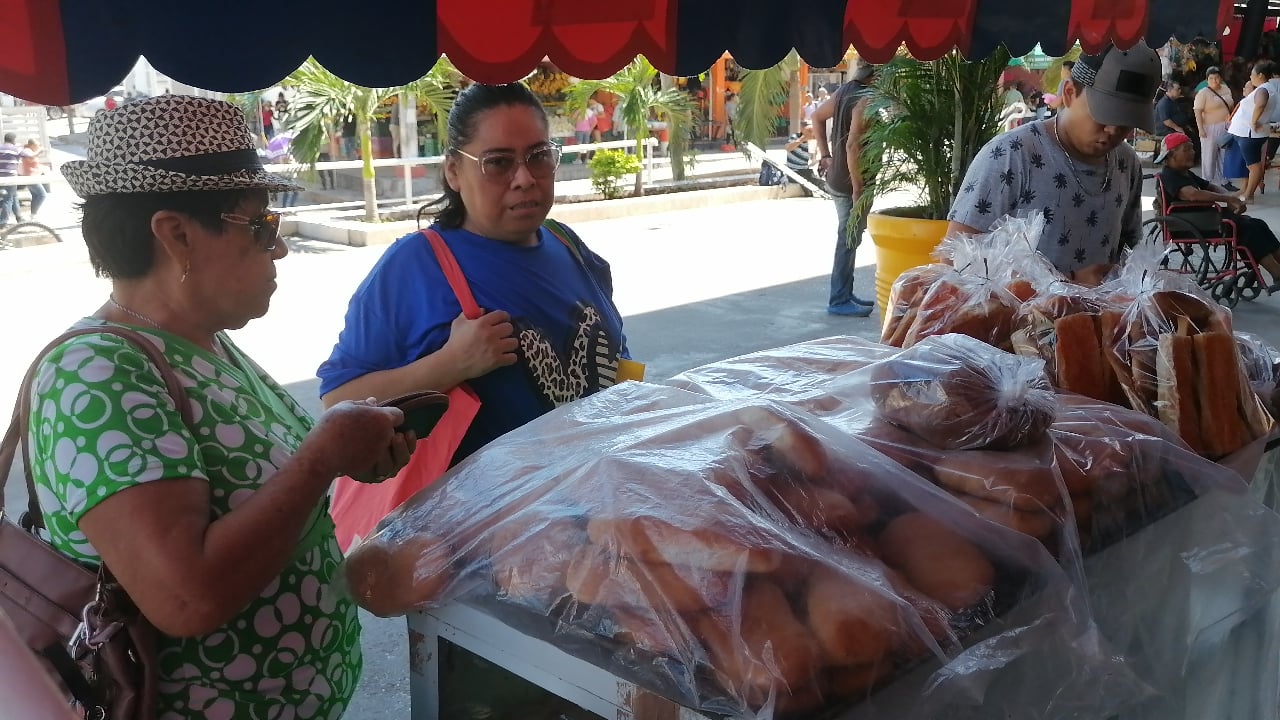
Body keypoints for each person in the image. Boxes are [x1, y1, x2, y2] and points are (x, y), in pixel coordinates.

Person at [35, 95, 417, 717]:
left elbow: (258, 494)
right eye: (260, 226)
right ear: (177, 234)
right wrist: (321, 458)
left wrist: (347, 456)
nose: (280, 248)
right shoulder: (98, 373)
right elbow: (184, 599)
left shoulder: (202, 344)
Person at [318, 83, 629, 467]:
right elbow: (337, 404)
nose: (524, 179)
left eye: (538, 156)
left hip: (605, 503)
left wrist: (640, 413)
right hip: (492, 522)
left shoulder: (569, 245)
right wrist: (451, 364)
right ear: (453, 170)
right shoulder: (415, 265)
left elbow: (619, 361)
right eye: (498, 162)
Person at [948, 44, 1160, 286]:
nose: (1113, 131)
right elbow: (954, 259)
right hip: (1018, 320)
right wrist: (1068, 281)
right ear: (1069, 93)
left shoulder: (1127, 163)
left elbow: (1128, 253)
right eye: (1104, 115)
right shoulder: (1011, 155)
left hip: (1099, 322)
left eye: (1126, 122)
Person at [1157, 132, 1280, 293]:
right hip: (1191, 224)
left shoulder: (1185, 172)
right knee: (1247, 230)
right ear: (1170, 155)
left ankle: (1269, 267)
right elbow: (1193, 194)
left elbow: (1209, 186)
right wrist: (1226, 200)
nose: (1193, 152)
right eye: (1186, 149)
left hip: (1206, 218)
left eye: (1192, 148)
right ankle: (1277, 273)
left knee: (1257, 224)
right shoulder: (1169, 175)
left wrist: (1229, 197)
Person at [813, 61, 877, 316]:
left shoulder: (844, 91)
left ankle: (845, 294)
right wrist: (859, 187)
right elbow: (853, 146)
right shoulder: (865, 99)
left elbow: (816, 116)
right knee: (848, 238)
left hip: (837, 176)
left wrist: (825, 155)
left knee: (849, 238)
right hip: (850, 181)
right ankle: (839, 299)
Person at [1225, 61, 1279, 203]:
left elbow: (1260, 104)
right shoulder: (1264, 88)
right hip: (1245, 133)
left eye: (1252, 74)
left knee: (1254, 166)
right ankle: (1245, 190)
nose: (1250, 77)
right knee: (1249, 164)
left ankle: (1248, 194)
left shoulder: (1264, 89)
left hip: (1249, 133)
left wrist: (1254, 121)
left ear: (1260, 75)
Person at [1194, 67, 1238, 188]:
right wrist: (1200, 129)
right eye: (1211, 78)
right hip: (1209, 127)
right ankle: (1207, 182)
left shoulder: (1226, 89)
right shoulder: (1203, 93)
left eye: (1217, 77)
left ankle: (1225, 181)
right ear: (1207, 80)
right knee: (1209, 155)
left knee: (1224, 154)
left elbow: (1231, 105)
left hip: (1224, 126)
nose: (1214, 80)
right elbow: (1197, 111)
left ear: (1221, 78)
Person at [19, 138, 47, 217]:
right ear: (32, 145)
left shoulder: (31, 151)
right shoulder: (26, 150)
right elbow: (30, 159)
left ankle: (33, 215)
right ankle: (33, 215)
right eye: (37, 145)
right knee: (42, 195)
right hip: (30, 177)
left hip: (33, 176)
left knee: (35, 196)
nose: (38, 147)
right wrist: (39, 151)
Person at [785, 121, 819, 186]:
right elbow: (788, 148)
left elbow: (814, 158)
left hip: (805, 170)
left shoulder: (812, 141)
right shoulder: (795, 137)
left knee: (817, 181)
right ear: (802, 129)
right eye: (809, 130)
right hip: (794, 171)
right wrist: (802, 139)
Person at [0, 132, 22, 225]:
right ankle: (3, 222)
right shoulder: (15, 149)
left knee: (13, 196)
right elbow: (27, 155)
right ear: (13, 140)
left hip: (1, 176)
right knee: (8, 198)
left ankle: (19, 217)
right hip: (11, 177)